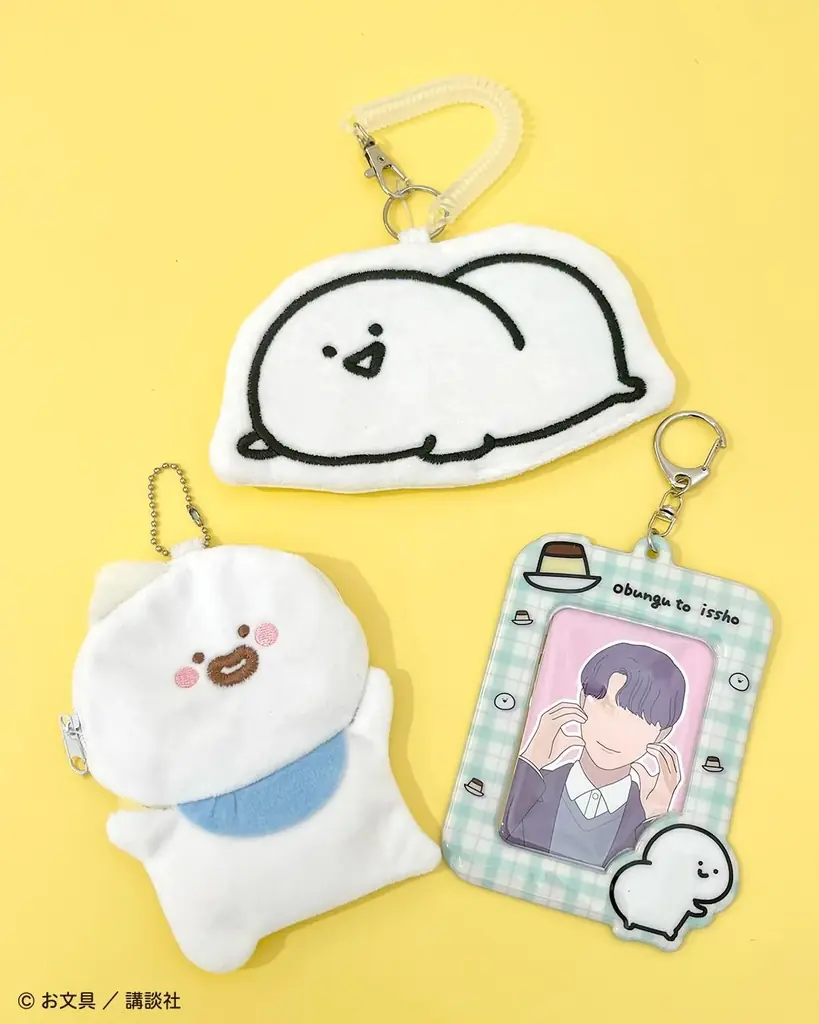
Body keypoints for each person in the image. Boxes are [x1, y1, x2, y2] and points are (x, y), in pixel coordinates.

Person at [500, 642, 686, 869]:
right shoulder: (532, 783)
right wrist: (530, 762)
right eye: (606, 707)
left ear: (662, 734)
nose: (613, 730)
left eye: (637, 719)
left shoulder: (646, 815)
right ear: (582, 701)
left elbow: (652, 878)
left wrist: (656, 816)